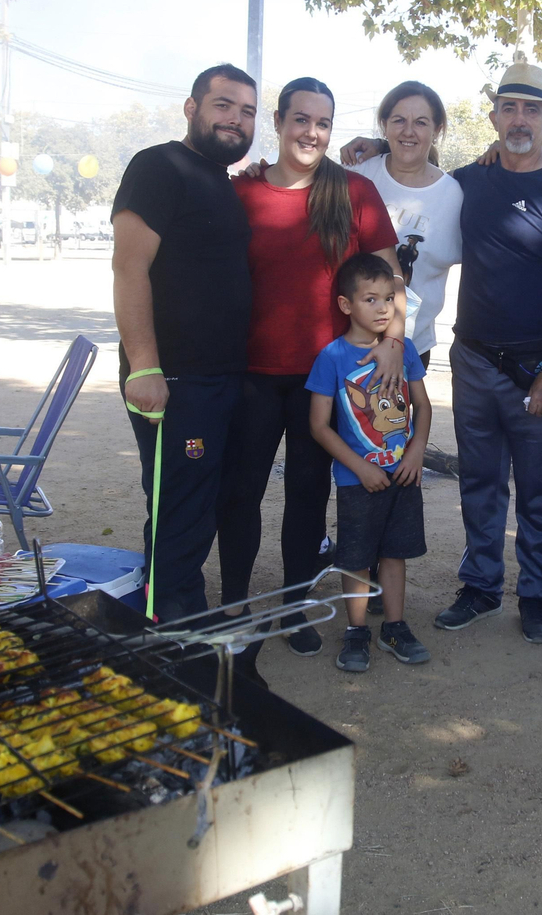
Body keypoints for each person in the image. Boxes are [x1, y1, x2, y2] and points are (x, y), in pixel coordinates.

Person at [218, 77, 403, 659]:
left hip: (324, 381)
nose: (312, 132)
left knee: (307, 493)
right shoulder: (242, 192)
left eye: (323, 123)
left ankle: (294, 607)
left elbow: (391, 277)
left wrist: (393, 340)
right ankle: (234, 604)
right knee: (240, 492)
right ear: (277, 122)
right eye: (301, 119)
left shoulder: (353, 193)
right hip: (251, 373)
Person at [432, 58, 542, 645]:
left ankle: (537, 596)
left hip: (536, 367)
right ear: (494, 116)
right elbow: (414, 177)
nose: (520, 118)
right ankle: (480, 587)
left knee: (538, 491)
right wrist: (373, 146)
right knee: (479, 483)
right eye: (509, 108)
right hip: (473, 358)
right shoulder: (468, 181)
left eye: (532, 109)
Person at [111, 63, 258, 625]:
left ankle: (175, 618)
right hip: (174, 379)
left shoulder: (219, 179)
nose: (235, 119)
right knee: (180, 509)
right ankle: (172, 631)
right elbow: (129, 268)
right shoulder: (158, 166)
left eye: (246, 111)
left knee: (197, 505)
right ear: (192, 108)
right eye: (223, 105)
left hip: (220, 377)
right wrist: (144, 367)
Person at [307, 253, 432, 672]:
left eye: (389, 299)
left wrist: (416, 450)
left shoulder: (404, 350)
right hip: (357, 479)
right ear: (346, 305)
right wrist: (358, 467)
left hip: (403, 473)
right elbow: (318, 425)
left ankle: (394, 627)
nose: (383, 309)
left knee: (394, 553)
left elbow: (422, 405)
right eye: (370, 299)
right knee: (357, 557)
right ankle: (356, 630)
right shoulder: (332, 357)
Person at [341, 82, 465, 371]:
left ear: (437, 130)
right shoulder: (356, 174)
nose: (409, 131)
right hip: (346, 342)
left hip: (411, 347)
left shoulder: (455, 196)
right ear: (384, 125)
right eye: (399, 120)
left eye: (421, 122)